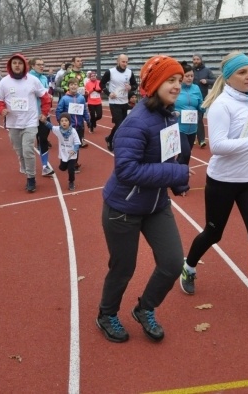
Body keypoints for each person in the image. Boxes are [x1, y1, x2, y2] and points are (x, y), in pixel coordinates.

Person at [179, 52, 248, 319]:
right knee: (213, 234)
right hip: (222, 182)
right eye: (243, 72)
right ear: (229, 77)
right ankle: (188, 267)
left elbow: (246, 134)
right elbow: (218, 147)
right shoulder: (220, 106)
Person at [96, 55, 189, 344]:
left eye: (179, 80)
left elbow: (166, 157)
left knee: (173, 263)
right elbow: (126, 170)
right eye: (170, 80)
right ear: (153, 83)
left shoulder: (168, 114)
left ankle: (144, 308)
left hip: (156, 206)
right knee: (123, 268)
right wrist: (175, 172)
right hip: (123, 208)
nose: (177, 85)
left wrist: (176, 181)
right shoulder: (135, 122)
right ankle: (107, 314)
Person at [0, 54, 52, 193]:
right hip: (13, 123)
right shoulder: (4, 82)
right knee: (19, 152)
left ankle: (31, 179)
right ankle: (24, 164)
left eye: (19, 63)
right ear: (10, 65)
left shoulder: (33, 80)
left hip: (30, 121)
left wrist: (44, 113)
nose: (17, 65)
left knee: (28, 151)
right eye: (14, 63)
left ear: (24, 65)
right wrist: (1, 110)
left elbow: (45, 97)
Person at [100, 54, 137, 152]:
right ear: (118, 61)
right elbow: (101, 83)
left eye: (126, 62)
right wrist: (108, 93)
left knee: (123, 124)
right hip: (114, 102)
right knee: (119, 124)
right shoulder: (110, 72)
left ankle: (109, 138)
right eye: (123, 62)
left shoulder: (129, 72)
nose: (125, 64)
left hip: (125, 102)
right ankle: (113, 141)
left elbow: (135, 85)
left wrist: (131, 87)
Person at [55, 80, 89, 175]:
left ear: (78, 86)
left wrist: (88, 120)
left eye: (75, 84)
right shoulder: (64, 99)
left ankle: (74, 163)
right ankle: (65, 160)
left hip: (79, 126)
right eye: (71, 85)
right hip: (69, 128)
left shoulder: (81, 98)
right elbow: (59, 111)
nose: (73, 86)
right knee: (67, 145)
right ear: (68, 87)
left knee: (77, 145)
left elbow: (84, 110)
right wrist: (60, 121)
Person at [173, 63, 204, 165]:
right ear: (181, 76)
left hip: (192, 128)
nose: (190, 78)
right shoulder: (175, 88)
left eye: (192, 76)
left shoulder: (196, 88)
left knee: (185, 155)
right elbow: (167, 105)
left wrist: (204, 106)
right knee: (185, 153)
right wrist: (172, 112)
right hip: (179, 127)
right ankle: (177, 174)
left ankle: (180, 175)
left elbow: (200, 105)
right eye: (187, 76)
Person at [28, 58, 54, 177]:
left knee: (43, 139)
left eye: (43, 64)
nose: (42, 67)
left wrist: (49, 98)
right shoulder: (27, 78)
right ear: (32, 66)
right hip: (31, 115)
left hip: (44, 114)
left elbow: (45, 94)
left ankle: (44, 166)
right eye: (39, 65)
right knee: (27, 142)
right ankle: (24, 163)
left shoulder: (44, 78)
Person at [48, 112, 81, 191]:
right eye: (62, 121)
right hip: (63, 153)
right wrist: (44, 121)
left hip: (72, 154)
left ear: (69, 122)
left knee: (71, 169)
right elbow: (50, 126)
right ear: (59, 122)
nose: (64, 122)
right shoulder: (58, 130)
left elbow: (77, 142)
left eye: (66, 120)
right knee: (62, 168)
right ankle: (63, 166)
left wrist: (74, 150)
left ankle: (71, 182)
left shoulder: (73, 131)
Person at [192, 54, 216, 148]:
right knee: (191, 119)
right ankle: (193, 137)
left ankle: (201, 140)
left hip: (202, 99)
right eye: (194, 59)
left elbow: (215, 80)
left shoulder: (207, 71)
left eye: (197, 59)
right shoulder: (191, 71)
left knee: (199, 119)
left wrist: (207, 81)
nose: (196, 61)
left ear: (201, 60)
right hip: (191, 98)